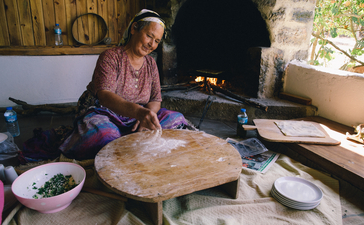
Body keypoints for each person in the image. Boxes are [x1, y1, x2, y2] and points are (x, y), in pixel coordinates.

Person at [58, 9, 193, 160]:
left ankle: (131, 139)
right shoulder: (111, 57)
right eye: (149, 36)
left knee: (176, 119)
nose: (152, 44)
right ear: (134, 28)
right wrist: (139, 113)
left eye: (157, 41)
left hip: (136, 118)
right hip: (103, 113)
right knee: (105, 136)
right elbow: (105, 96)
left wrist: (147, 118)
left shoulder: (150, 63)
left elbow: (155, 99)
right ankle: (125, 144)